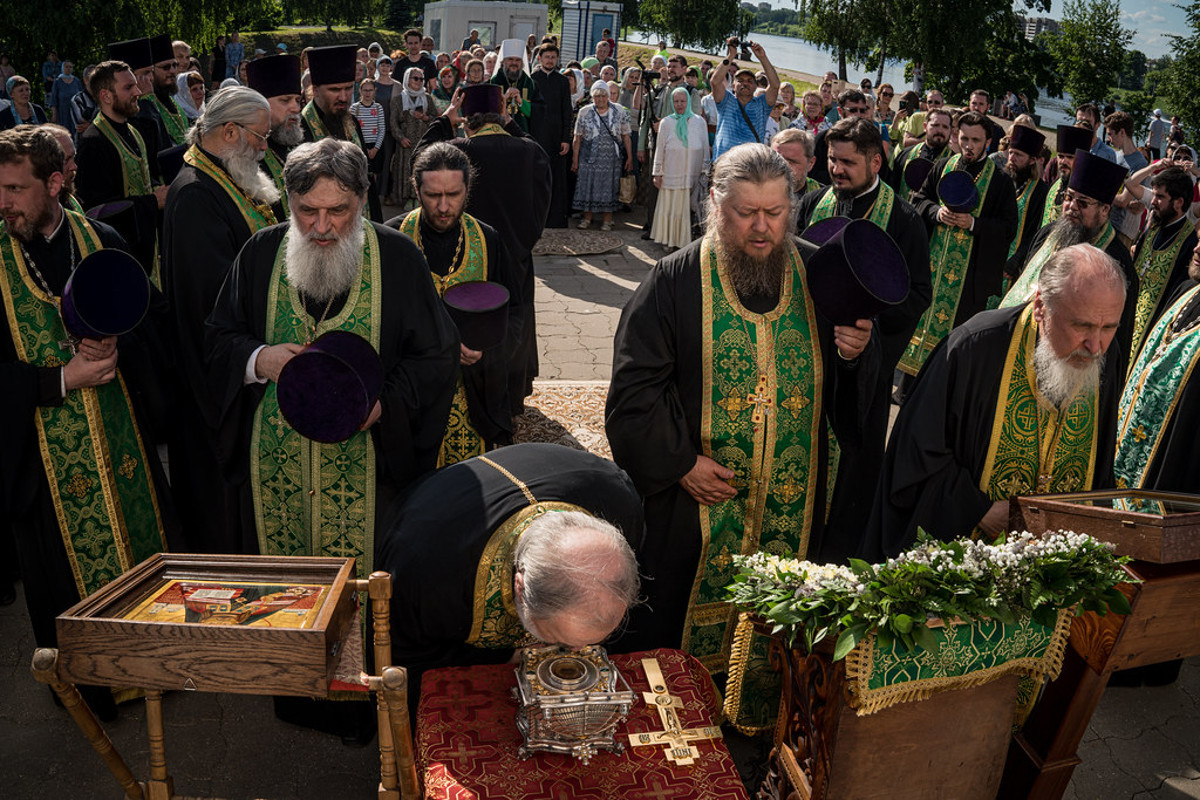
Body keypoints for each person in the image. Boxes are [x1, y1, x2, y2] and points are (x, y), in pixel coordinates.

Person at [605, 144, 875, 731]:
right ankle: (679, 739)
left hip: (795, 504)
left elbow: (855, 407)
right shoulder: (673, 281)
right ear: (715, 206)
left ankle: (764, 733)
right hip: (696, 508)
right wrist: (679, 464)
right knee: (675, 641)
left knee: (783, 631)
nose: (761, 228)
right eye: (746, 213)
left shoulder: (821, 274)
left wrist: (856, 358)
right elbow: (633, 397)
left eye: (775, 213)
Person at [204, 138, 458, 578]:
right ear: (289, 201)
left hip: (371, 475)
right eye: (307, 211)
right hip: (274, 475)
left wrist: (384, 405)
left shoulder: (398, 258)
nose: (321, 227)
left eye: (338, 211)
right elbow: (217, 337)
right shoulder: (261, 253)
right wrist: (259, 359)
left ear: (361, 200)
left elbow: (435, 357)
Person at [0, 126, 176, 719]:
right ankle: (91, 689)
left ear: (54, 183)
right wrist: (59, 380)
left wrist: (123, 348)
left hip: (124, 445)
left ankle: (154, 667)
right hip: (43, 466)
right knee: (62, 579)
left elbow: (152, 322)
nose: (4, 203)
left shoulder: (100, 239)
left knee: (143, 555)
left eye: (14, 189)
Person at [869, 242, 1126, 558]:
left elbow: (1099, 467)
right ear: (1040, 306)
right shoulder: (974, 348)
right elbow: (913, 454)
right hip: (968, 565)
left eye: (1109, 327)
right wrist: (976, 509)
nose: (1095, 345)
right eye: (1082, 325)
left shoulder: (1103, 357)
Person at [377, 443, 644, 711]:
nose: (577, 653)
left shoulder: (617, 501)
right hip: (431, 514)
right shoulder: (426, 574)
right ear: (520, 587)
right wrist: (505, 656)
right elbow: (409, 662)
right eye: (561, 643)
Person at [795, 118, 931, 556]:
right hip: (806, 358)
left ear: (876, 160)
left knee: (851, 472)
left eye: (848, 162)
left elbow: (919, 293)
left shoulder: (904, 218)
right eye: (833, 159)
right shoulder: (813, 202)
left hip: (864, 369)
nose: (837, 169)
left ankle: (839, 551)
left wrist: (872, 327)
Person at [162, 87, 279, 555]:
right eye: (260, 136)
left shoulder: (224, 176)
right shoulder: (195, 196)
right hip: (218, 385)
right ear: (229, 132)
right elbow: (214, 303)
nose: (265, 147)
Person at [415, 85, 550, 418]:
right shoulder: (529, 151)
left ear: (466, 121)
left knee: (474, 333)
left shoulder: (456, 148)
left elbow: (421, 161)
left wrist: (443, 122)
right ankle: (512, 399)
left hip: (470, 257)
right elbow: (544, 194)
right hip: (517, 255)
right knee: (513, 325)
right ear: (501, 115)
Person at [384, 143, 521, 464]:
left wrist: (486, 351)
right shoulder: (392, 240)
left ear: (467, 189)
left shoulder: (488, 240)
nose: (444, 206)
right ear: (416, 189)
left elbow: (514, 316)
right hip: (412, 395)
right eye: (433, 196)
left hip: (473, 396)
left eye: (453, 195)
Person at [899, 110, 1018, 378]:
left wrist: (973, 224)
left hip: (968, 281)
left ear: (987, 142)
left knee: (956, 349)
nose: (969, 146)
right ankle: (907, 388)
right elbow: (918, 201)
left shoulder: (1000, 182)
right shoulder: (942, 167)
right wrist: (936, 213)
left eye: (976, 140)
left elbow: (1008, 228)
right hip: (932, 270)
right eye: (964, 138)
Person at [1002, 150, 1137, 374]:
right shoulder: (1049, 234)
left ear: (1105, 210)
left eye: (1082, 203)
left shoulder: (1118, 265)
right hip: (1018, 348)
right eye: (1068, 197)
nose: (1071, 206)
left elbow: (1116, 345)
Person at [75, 59, 167, 282]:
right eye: (128, 87)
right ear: (106, 96)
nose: (138, 91)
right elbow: (98, 212)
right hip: (125, 259)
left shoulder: (133, 131)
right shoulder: (93, 143)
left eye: (135, 85)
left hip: (150, 247)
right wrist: (153, 202)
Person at [1123, 166, 1200, 362]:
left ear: (1179, 202)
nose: (1153, 202)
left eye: (1160, 197)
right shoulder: (1155, 226)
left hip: (1152, 331)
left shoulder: (1189, 241)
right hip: (1127, 315)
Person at [637, 54, 703, 238]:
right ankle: (653, 227)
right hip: (656, 146)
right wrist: (641, 146)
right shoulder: (657, 91)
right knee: (654, 188)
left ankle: (676, 229)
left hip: (680, 149)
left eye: (675, 66)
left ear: (684, 69)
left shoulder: (690, 93)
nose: (671, 69)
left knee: (677, 191)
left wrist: (665, 124)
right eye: (670, 66)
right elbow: (645, 121)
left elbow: (694, 121)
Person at [650, 86, 709, 250]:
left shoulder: (699, 121)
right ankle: (670, 240)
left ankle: (686, 243)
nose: (680, 104)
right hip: (671, 172)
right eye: (676, 101)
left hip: (693, 173)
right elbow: (660, 148)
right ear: (672, 103)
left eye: (683, 101)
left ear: (689, 102)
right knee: (672, 208)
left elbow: (704, 146)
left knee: (689, 209)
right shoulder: (667, 122)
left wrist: (706, 169)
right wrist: (657, 173)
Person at [246, 54, 303, 219]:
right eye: (285, 101)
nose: (296, 108)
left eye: (297, 100)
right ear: (260, 104)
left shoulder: (293, 142)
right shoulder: (247, 153)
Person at [571, 82, 632, 231]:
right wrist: (575, 159)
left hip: (611, 159)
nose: (600, 99)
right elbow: (577, 137)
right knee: (588, 186)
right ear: (592, 97)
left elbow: (626, 136)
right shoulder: (584, 112)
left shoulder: (619, 111)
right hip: (588, 157)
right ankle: (586, 219)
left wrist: (630, 157)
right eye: (597, 96)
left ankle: (607, 220)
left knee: (609, 187)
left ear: (608, 96)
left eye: (603, 95)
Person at [709, 40, 779, 161]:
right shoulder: (726, 101)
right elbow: (715, 81)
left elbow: (775, 85)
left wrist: (762, 57)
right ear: (733, 85)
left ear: (756, 86)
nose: (745, 83)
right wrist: (731, 55)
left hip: (750, 163)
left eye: (749, 81)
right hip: (724, 162)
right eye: (740, 80)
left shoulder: (762, 104)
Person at [530, 42, 572, 229]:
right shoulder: (532, 79)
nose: (550, 60)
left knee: (556, 178)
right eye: (547, 57)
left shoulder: (562, 81)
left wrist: (566, 139)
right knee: (536, 177)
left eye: (553, 57)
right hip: (536, 135)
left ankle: (555, 219)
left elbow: (567, 112)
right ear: (539, 58)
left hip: (556, 138)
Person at [1001, 124, 1050, 276]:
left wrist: (1016, 261)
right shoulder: (1000, 180)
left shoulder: (1040, 191)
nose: (1011, 158)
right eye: (1010, 153)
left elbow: (1036, 233)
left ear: (1032, 160)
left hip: (1013, 265)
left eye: (1018, 155)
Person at [887, 106, 951, 202]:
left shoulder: (955, 162)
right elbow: (891, 189)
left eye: (945, 127)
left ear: (951, 130)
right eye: (935, 125)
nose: (940, 130)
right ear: (925, 127)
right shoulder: (905, 155)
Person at [390, 66, 432, 211]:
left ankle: (419, 198)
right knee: (406, 169)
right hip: (406, 142)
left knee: (420, 169)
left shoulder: (427, 98)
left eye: (421, 79)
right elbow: (393, 122)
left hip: (422, 141)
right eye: (415, 78)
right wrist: (401, 138)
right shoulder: (398, 99)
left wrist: (425, 117)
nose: (419, 82)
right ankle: (408, 198)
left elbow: (435, 120)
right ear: (407, 79)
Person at [1042, 125, 1094, 227]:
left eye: (1070, 157)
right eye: (1060, 156)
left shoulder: (1085, 194)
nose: (1063, 161)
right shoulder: (1056, 185)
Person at [144, 34, 188, 146]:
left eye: (175, 65)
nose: (173, 71)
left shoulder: (173, 102)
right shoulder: (147, 104)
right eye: (166, 67)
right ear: (152, 71)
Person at [490, 39, 539, 133]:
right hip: (499, 134)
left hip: (523, 135)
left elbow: (538, 113)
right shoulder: (493, 82)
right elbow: (488, 112)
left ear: (522, 62)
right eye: (510, 59)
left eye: (517, 60)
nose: (514, 63)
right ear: (503, 61)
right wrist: (504, 98)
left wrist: (521, 102)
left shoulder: (530, 83)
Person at [350, 78, 386, 192]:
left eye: (370, 90)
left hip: (375, 145)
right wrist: (363, 148)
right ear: (360, 91)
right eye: (365, 90)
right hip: (360, 145)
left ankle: (373, 196)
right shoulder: (354, 108)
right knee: (361, 174)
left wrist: (375, 148)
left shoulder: (378, 108)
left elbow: (382, 129)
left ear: (374, 91)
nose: (368, 93)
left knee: (373, 174)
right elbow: (352, 130)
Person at [772, 127, 821, 199]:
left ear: (811, 163)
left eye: (791, 162)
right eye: (777, 160)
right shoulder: (756, 192)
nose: (783, 167)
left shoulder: (823, 199)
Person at [46, 62, 84, 132]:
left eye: (70, 67)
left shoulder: (77, 81)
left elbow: (82, 97)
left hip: (75, 112)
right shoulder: (57, 82)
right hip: (62, 113)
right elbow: (54, 99)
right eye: (66, 67)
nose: (68, 68)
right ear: (62, 68)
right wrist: (54, 114)